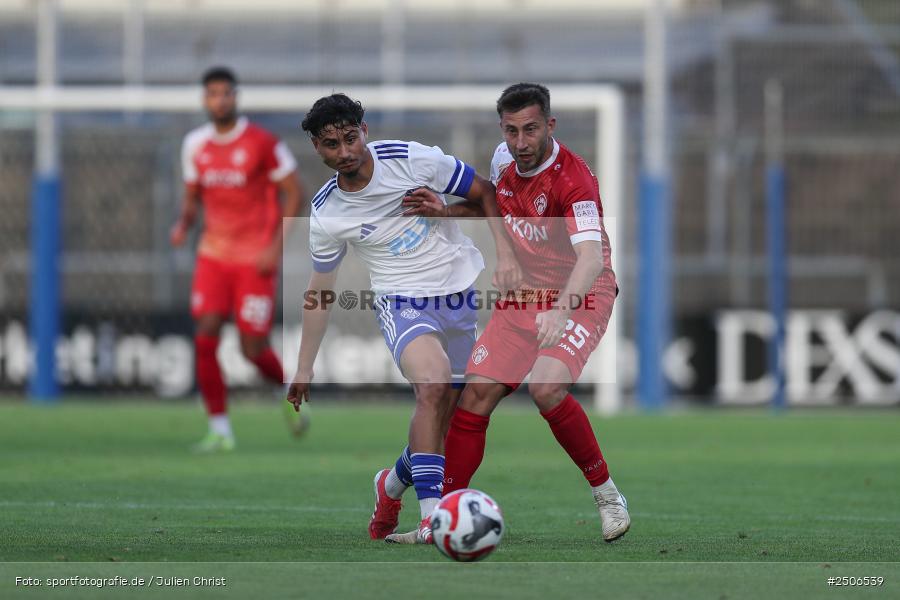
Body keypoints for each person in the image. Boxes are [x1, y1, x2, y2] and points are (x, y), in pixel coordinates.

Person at [286, 93, 508, 545]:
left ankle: (389, 485)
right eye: (331, 144)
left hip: (458, 293)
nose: (344, 152)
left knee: (447, 417)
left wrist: (451, 216)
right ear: (317, 148)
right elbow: (320, 291)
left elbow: (487, 194)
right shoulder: (327, 212)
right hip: (401, 300)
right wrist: (304, 367)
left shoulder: (411, 160)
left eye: (350, 138)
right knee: (433, 386)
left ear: (364, 131)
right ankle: (433, 519)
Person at [441, 83, 631, 543]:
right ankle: (442, 516)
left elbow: (591, 260)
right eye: (511, 131)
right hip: (526, 294)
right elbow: (495, 207)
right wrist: (447, 214)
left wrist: (561, 311)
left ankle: (607, 495)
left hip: (582, 293)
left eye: (530, 130)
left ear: (550, 125)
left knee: (546, 387)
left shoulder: (574, 181)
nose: (520, 143)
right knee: (474, 397)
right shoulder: (503, 160)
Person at [171, 66, 306, 453]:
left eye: (226, 93)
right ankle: (219, 429)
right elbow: (193, 198)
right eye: (212, 94)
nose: (220, 100)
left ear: (236, 96)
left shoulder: (263, 143)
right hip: (213, 256)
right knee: (204, 337)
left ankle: (290, 392)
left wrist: (274, 248)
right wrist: (183, 225)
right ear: (204, 99)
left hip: (254, 260)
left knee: (251, 347)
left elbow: (294, 193)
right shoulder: (194, 144)